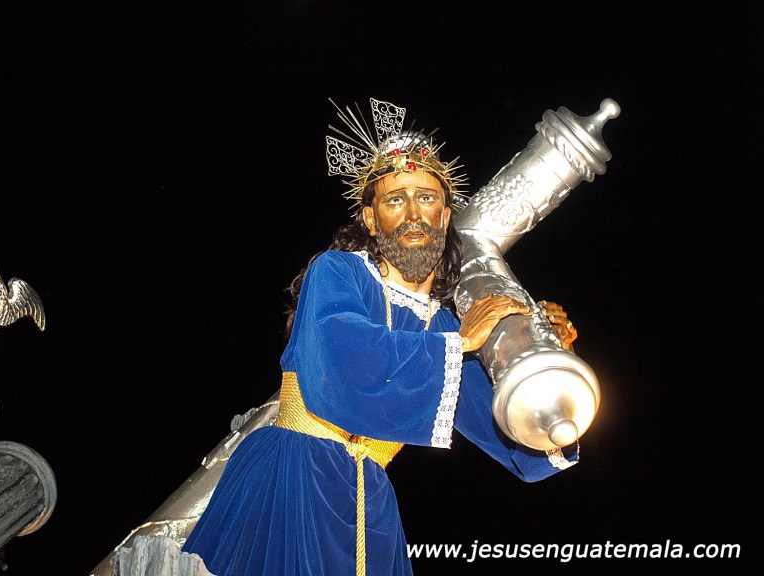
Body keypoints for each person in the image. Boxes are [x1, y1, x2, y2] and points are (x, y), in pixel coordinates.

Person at [181, 98, 580, 576]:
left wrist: (541, 358)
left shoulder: (446, 329)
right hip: (296, 474)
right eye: (394, 200)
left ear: (445, 216)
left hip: (369, 503)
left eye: (426, 198)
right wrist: (458, 344)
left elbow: (514, 431)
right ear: (371, 219)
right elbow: (342, 361)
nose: (412, 213)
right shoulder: (338, 273)